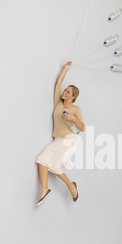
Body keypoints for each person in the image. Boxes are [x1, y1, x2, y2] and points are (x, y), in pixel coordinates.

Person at [35, 61, 86, 206]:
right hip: (57, 140)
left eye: (68, 92)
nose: (64, 92)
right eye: (65, 90)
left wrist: (72, 118)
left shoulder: (76, 109)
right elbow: (58, 82)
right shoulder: (58, 102)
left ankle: (71, 186)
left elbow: (82, 128)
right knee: (41, 159)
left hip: (69, 142)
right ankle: (45, 188)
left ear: (73, 97)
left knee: (56, 166)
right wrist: (67, 68)